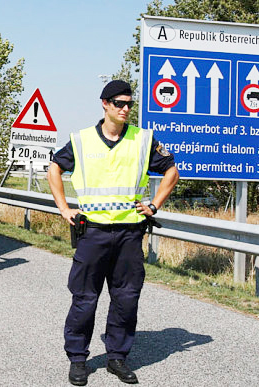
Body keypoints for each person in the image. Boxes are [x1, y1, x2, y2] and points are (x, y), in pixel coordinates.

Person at [47, 80, 179, 385]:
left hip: (130, 234)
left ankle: (117, 357)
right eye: (119, 103)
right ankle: (78, 359)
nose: (125, 109)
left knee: (126, 297)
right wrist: (64, 207)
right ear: (104, 104)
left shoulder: (142, 139)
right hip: (92, 233)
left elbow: (172, 170)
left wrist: (155, 205)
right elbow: (55, 167)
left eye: (129, 104)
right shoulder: (81, 140)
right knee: (84, 298)